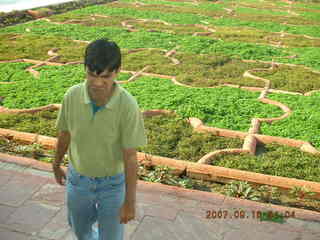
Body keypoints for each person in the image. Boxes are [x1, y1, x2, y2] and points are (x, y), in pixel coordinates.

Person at [52, 38, 147, 240]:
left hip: (112, 185)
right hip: (78, 180)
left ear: (118, 71)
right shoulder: (71, 96)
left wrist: (130, 203)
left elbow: (130, 156)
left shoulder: (127, 105)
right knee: (79, 229)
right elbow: (65, 133)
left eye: (106, 76)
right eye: (91, 75)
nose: (97, 83)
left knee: (112, 236)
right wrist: (55, 164)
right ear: (84, 68)